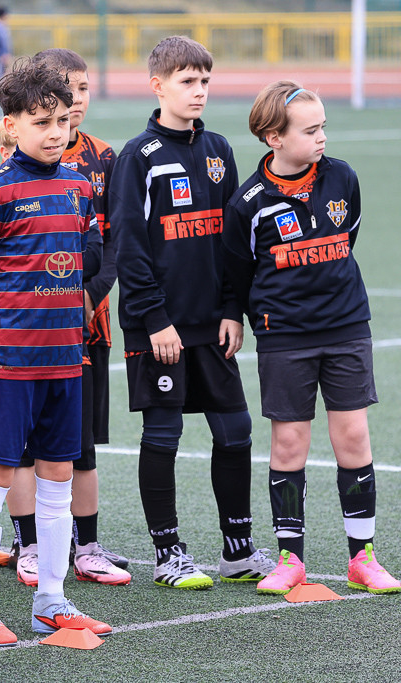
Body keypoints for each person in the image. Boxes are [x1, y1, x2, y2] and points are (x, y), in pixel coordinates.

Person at [222, 81, 401, 597]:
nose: (322, 136)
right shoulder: (248, 203)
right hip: (285, 337)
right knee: (289, 442)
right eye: (311, 129)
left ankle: (362, 557)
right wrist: (234, 316)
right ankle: (290, 558)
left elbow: (348, 238)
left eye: (323, 126)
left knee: (352, 437)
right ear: (274, 137)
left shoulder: (342, 177)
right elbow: (236, 271)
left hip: (346, 327)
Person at [109, 35, 274, 590]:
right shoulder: (138, 157)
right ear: (157, 86)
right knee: (164, 432)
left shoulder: (219, 149)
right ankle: (168, 553)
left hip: (211, 322)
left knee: (236, 431)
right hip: (159, 325)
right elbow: (129, 248)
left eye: (205, 81)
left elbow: (232, 242)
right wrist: (155, 319)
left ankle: (237, 548)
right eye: (187, 81)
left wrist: (233, 310)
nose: (199, 91)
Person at [0, 60, 109, 647]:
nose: (55, 132)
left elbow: (87, 256)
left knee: (57, 475)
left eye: (63, 121)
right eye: (41, 121)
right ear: (12, 124)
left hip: (66, 355)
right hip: (12, 358)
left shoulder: (76, 184)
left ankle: (51, 599)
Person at [3, 48, 131, 586]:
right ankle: (29, 542)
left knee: (81, 443)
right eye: (65, 91)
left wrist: (89, 295)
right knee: (28, 446)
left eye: (81, 90)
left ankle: (88, 544)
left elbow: (117, 239)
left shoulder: (104, 156)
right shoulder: (14, 157)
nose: (75, 101)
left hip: (87, 322)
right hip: (29, 326)